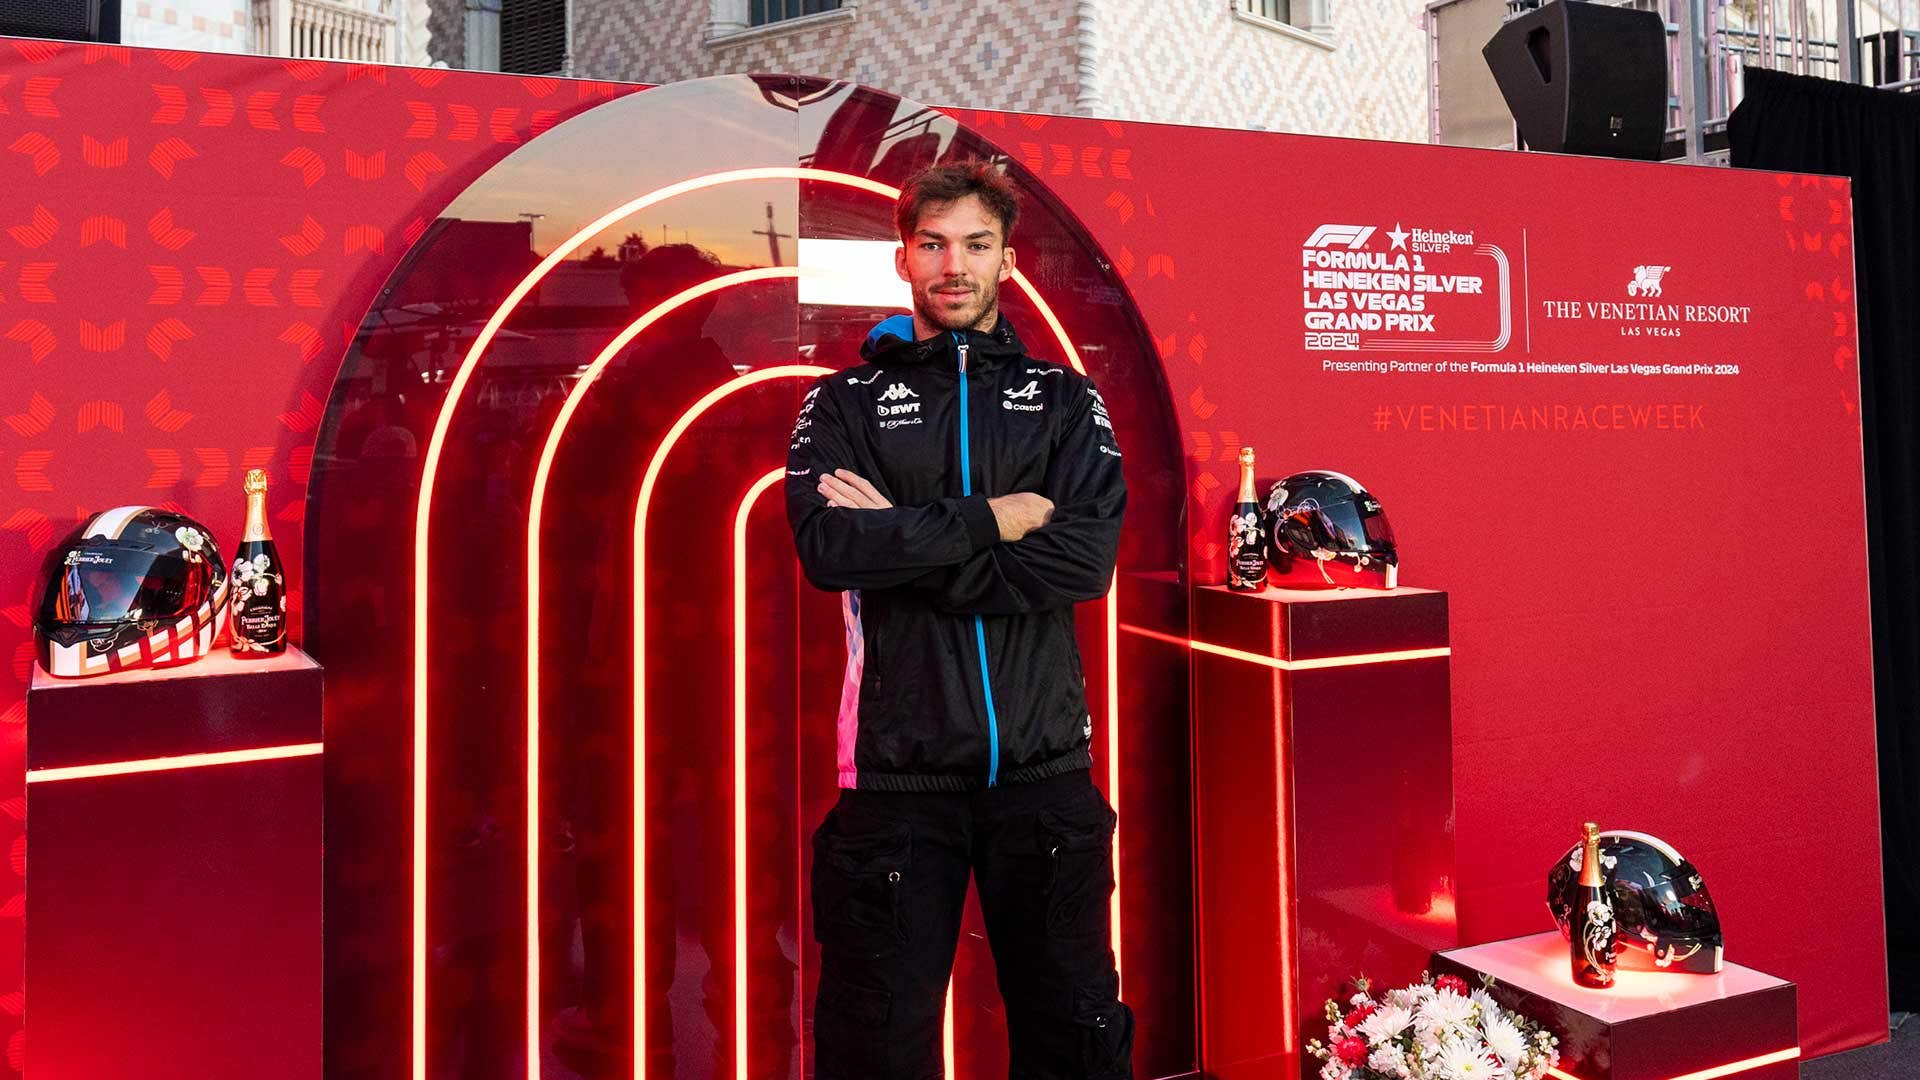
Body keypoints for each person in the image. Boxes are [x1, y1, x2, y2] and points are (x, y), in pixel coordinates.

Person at [784, 160, 1131, 1079]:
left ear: (1007, 261)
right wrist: (991, 519)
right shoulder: (842, 403)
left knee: (1078, 1040)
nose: (954, 265)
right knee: (876, 1050)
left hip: (1045, 777)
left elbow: (1082, 561)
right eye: (933, 244)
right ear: (902, 258)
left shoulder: (1063, 401)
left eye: (976, 244)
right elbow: (829, 551)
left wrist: (904, 552)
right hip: (896, 786)